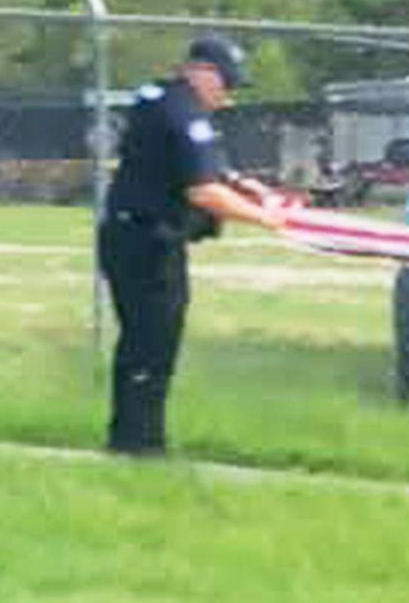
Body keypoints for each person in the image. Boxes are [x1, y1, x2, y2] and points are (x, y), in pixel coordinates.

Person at [98, 34, 286, 456]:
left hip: (129, 234)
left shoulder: (160, 98)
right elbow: (203, 191)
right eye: (226, 84)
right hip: (147, 242)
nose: (228, 96)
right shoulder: (184, 114)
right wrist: (265, 218)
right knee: (153, 343)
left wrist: (241, 183)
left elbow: (193, 163)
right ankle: (140, 444)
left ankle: (129, 437)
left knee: (140, 341)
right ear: (202, 72)